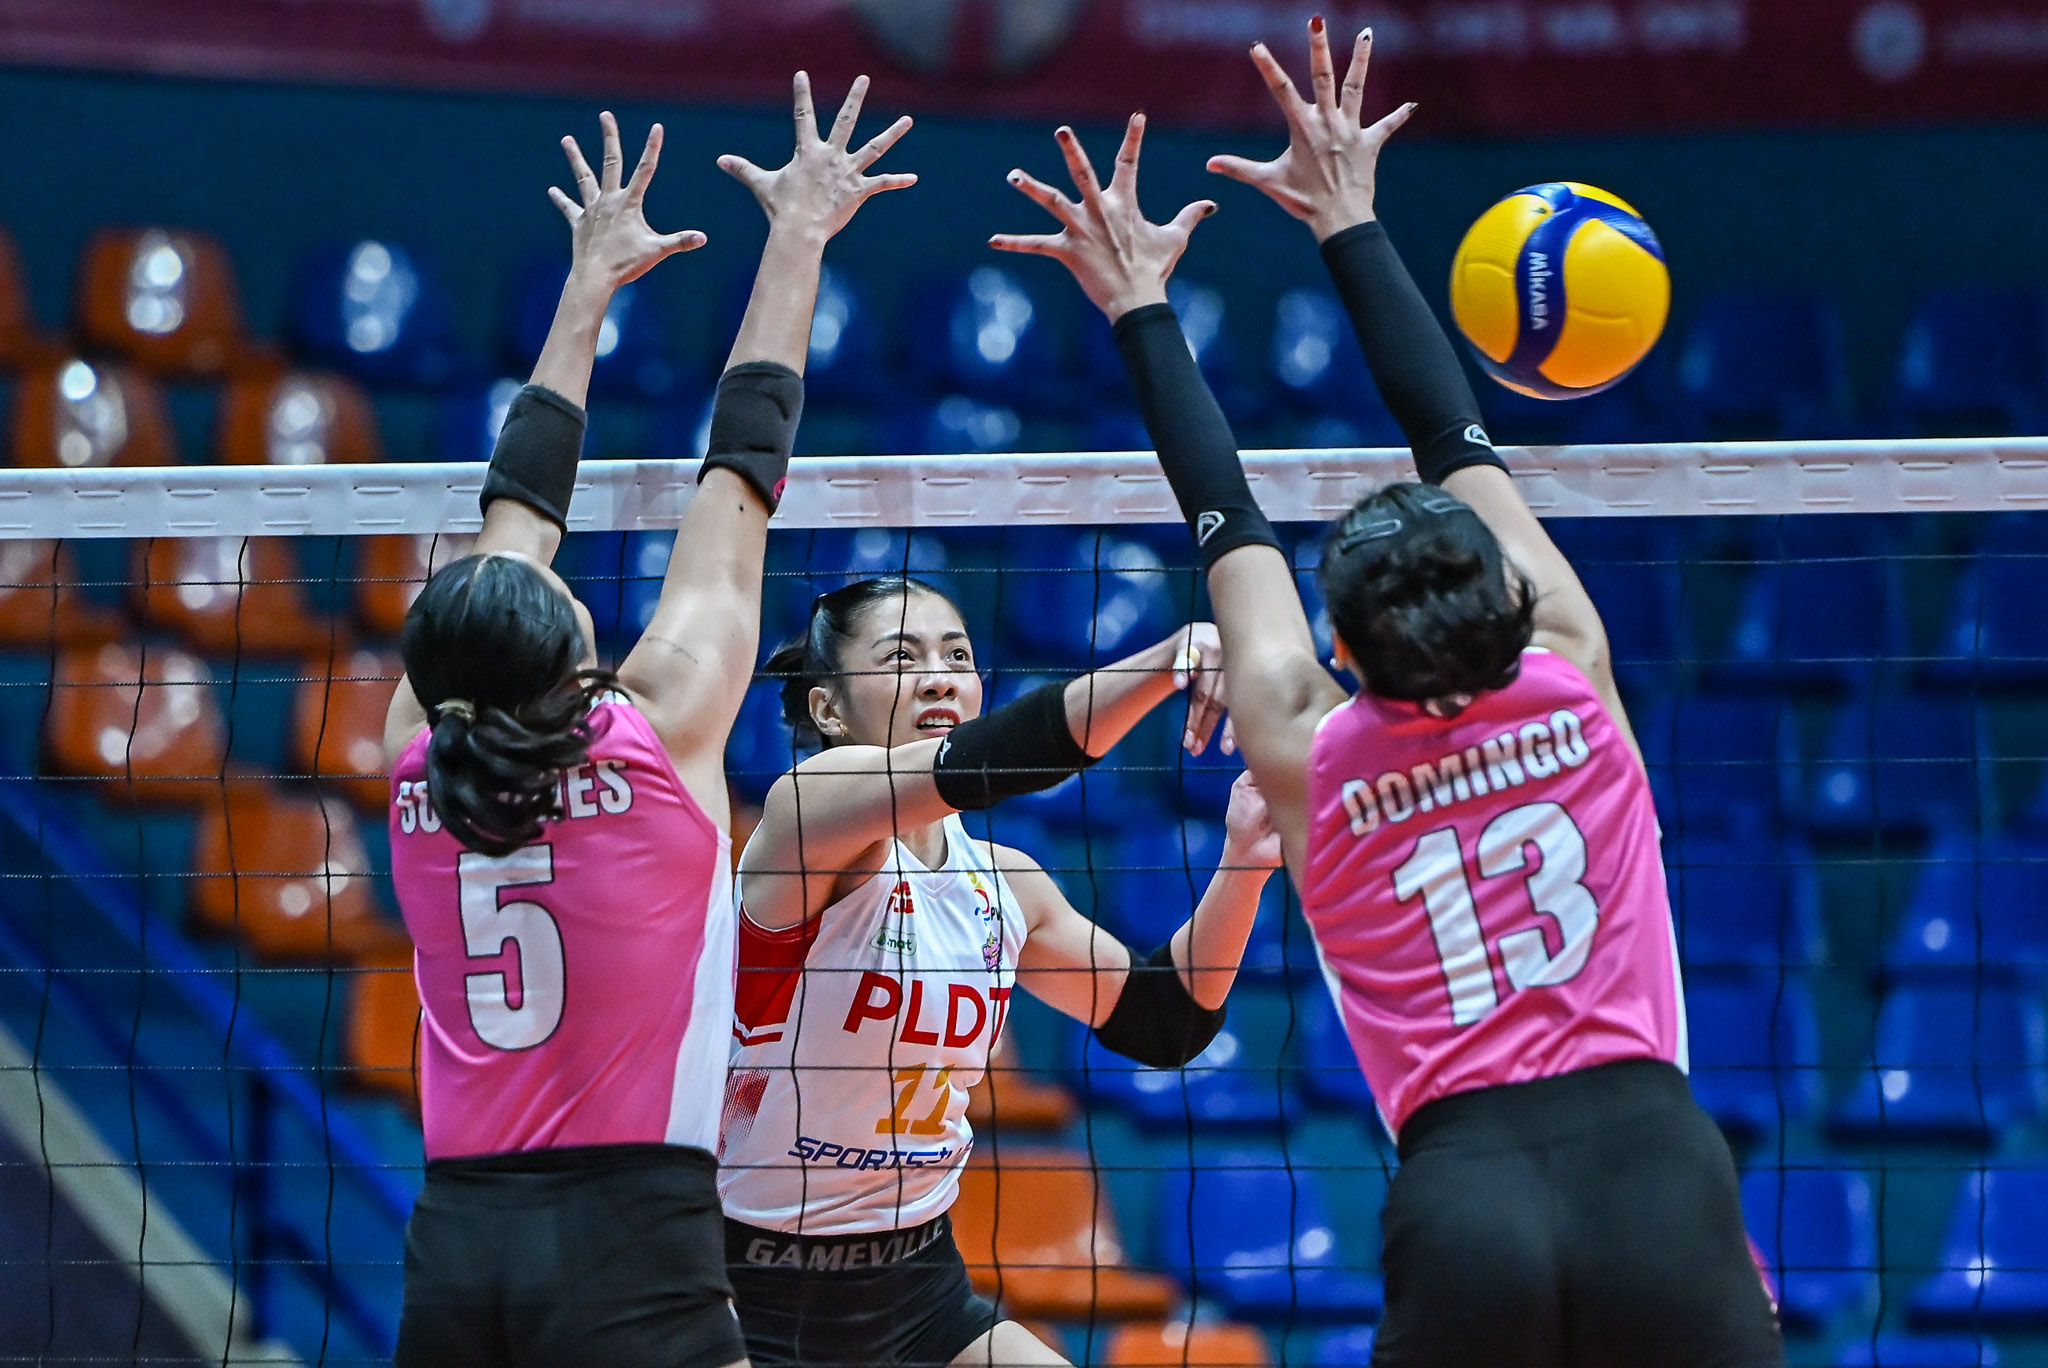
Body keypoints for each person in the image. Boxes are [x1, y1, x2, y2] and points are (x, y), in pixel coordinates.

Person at [992, 21, 1786, 1368]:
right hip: (1653, 1164)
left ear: (1343, 651)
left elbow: (1224, 516)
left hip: (1462, 1189)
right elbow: (1452, 434)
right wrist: (1348, 217)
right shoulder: (1570, 672)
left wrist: (1137, 303)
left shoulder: (1307, 749)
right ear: (1501, 594)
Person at [383, 77, 915, 1368]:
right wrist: (798, 239)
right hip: (630, 1242)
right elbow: (741, 474)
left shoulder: (415, 755)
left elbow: (510, 534)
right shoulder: (657, 729)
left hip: (455, 1247)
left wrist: (584, 293)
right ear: (570, 654)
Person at [719, 574, 1283, 1368]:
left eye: (957, 655)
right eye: (902, 657)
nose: (940, 676)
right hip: (748, 1292)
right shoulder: (803, 814)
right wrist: (1172, 658)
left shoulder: (1003, 885)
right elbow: (999, 760)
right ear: (829, 709)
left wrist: (1246, 861)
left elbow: (1168, 1020)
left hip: (918, 1292)